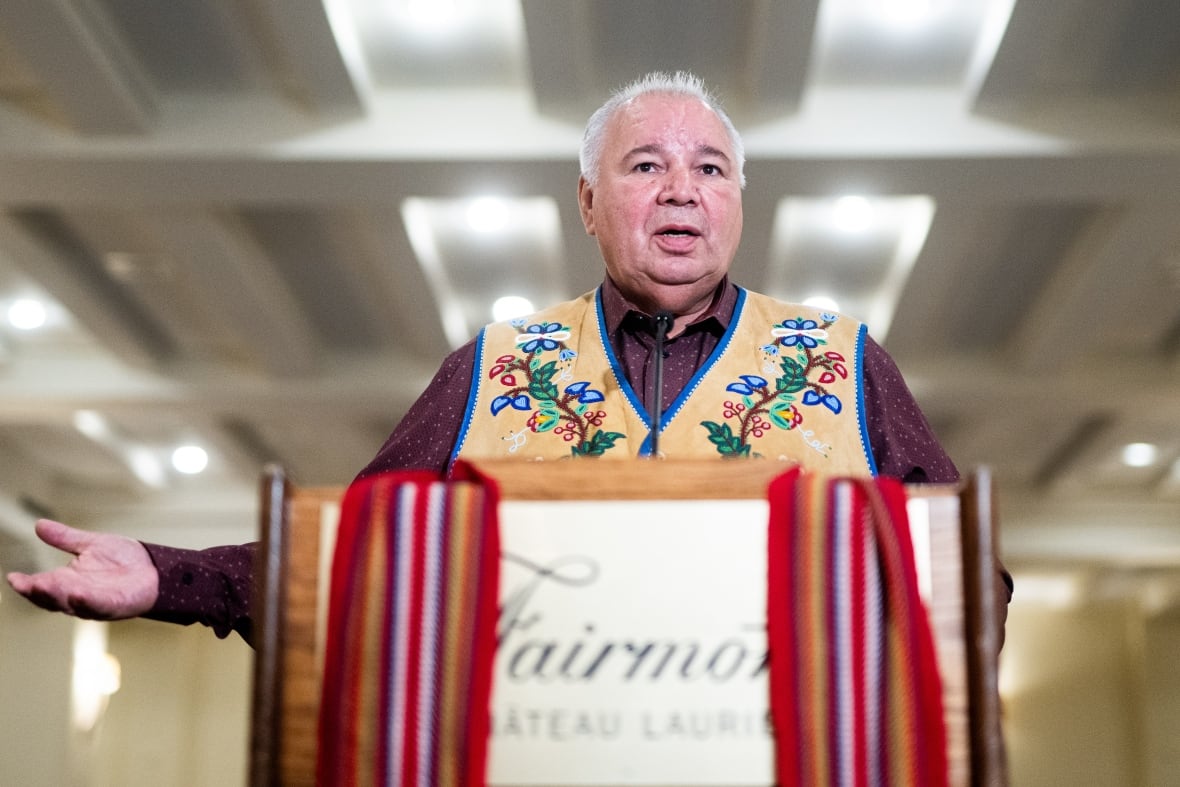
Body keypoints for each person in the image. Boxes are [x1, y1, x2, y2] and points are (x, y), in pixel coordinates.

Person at [5, 71, 1008, 645]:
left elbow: (973, 582)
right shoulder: (490, 369)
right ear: (586, 200)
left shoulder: (843, 363)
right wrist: (168, 576)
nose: (681, 190)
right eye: (645, 165)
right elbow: (356, 562)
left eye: (710, 169)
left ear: (738, 200)